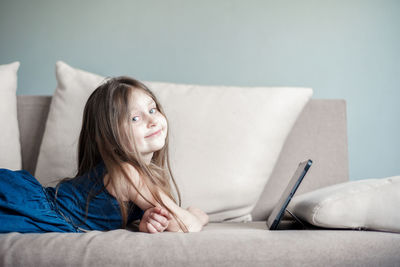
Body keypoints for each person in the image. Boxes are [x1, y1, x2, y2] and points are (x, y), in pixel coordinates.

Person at [0, 76, 209, 234]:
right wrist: (197, 215)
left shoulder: (138, 177)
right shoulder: (127, 173)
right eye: (135, 118)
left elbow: (162, 219)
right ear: (110, 136)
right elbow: (183, 223)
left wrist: (144, 221)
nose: (152, 120)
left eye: (152, 110)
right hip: (23, 202)